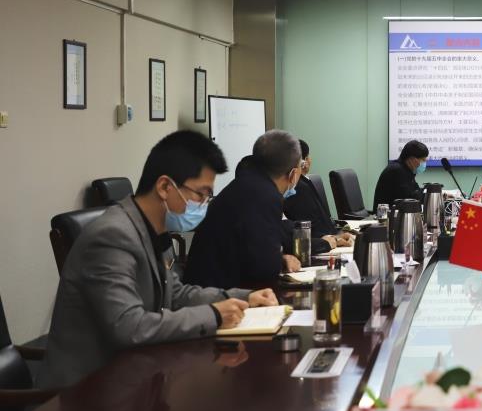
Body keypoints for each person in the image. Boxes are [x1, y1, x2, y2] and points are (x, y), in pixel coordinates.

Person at [40, 131, 277, 388]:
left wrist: (242, 298)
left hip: (137, 376)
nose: (203, 205)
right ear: (165, 187)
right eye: (200, 195)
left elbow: (175, 294)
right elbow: (129, 326)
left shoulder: (152, 227)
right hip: (87, 390)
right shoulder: (112, 236)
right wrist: (214, 315)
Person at [185, 129, 305, 289]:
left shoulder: (246, 184)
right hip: (216, 294)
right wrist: (278, 260)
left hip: (207, 285)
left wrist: (280, 259)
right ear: (293, 174)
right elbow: (265, 268)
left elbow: (253, 251)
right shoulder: (266, 195)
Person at [284, 139, 353, 254]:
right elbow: (292, 238)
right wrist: (328, 241)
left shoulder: (300, 184)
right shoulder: (297, 188)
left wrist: (334, 237)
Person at [373, 139, 429, 210]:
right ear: (412, 159)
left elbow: (415, 191)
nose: (424, 163)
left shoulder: (406, 170)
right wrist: (427, 194)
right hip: (386, 215)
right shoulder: (397, 171)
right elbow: (409, 199)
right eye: (423, 160)